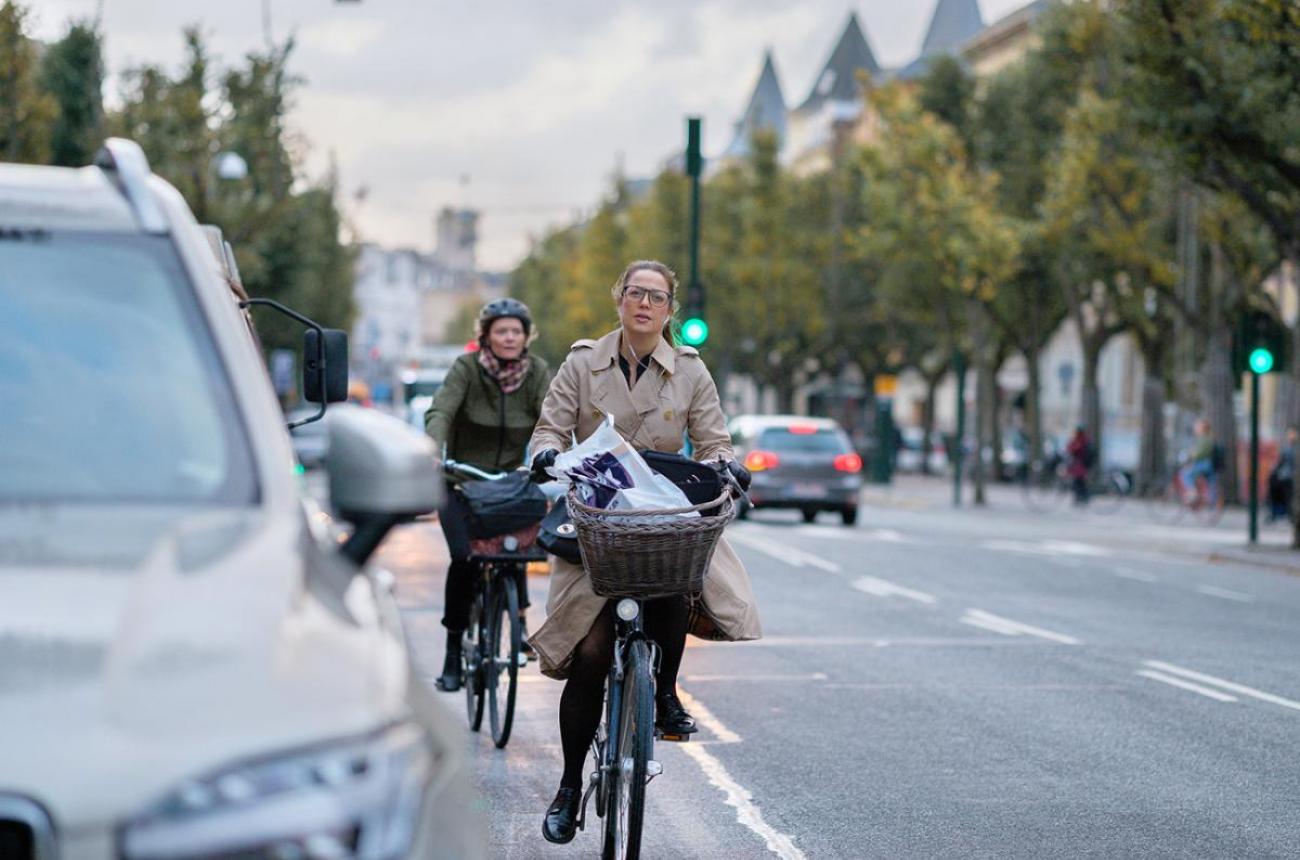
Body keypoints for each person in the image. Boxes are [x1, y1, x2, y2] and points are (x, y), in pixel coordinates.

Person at [528, 260, 762, 845]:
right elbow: (550, 429)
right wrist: (544, 455)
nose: (645, 304)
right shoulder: (583, 362)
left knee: (680, 577)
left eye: (656, 297)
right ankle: (567, 786)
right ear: (620, 299)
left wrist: (724, 465)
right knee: (588, 653)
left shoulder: (690, 371)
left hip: (661, 510)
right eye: (636, 293)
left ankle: (662, 690)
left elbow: (713, 441)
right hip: (599, 517)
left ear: (668, 309)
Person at [424, 298, 551, 692]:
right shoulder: (467, 369)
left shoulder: (537, 373)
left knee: (520, 549)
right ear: (486, 336)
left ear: (526, 336)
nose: (509, 337)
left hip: (511, 481)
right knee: (465, 559)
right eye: (501, 331)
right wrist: (431, 448)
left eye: (516, 330)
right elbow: (441, 410)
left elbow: (556, 414)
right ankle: (451, 653)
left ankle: (520, 619)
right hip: (463, 482)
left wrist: (571, 453)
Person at [1179, 418, 1219, 506]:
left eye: (1197, 427)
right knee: (1210, 483)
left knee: (1186, 473)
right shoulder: (1207, 438)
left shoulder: (1204, 439)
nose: (1195, 429)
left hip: (1204, 464)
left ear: (1202, 429)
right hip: (1207, 464)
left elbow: (1200, 453)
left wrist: (1190, 455)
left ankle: (1193, 492)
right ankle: (1205, 497)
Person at [1268, 427, 1297, 522]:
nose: (1291, 436)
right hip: (1285, 476)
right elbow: (1281, 462)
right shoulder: (1287, 448)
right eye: (1289, 434)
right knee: (1273, 483)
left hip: (1292, 477)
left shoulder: (1295, 448)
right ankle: (1275, 512)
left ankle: (1289, 513)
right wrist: (1274, 471)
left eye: (1292, 434)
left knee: (1289, 493)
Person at [1065, 425, 1093, 505]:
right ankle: (1081, 498)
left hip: (1081, 465)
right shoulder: (1085, 440)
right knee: (1080, 482)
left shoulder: (1081, 440)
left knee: (1078, 482)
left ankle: (1081, 497)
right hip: (1082, 465)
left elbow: (1072, 448)